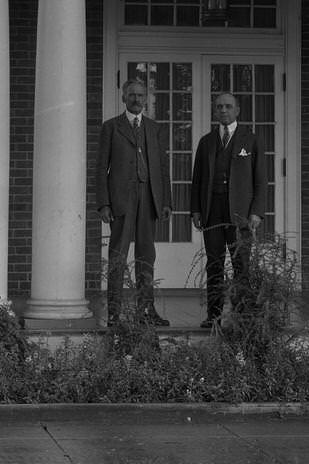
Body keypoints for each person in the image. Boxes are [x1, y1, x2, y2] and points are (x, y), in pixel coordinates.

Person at [95, 77, 173, 327]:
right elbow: (100, 168)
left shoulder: (154, 128)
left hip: (149, 198)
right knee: (118, 256)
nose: (137, 99)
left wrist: (165, 201)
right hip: (121, 199)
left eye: (141, 95)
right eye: (132, 95)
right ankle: (115, 314)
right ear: (123, 98)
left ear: (146, 98)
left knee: (146, 255)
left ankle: (146, 311)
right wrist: (103, 203)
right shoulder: (111, 127)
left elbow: (162, 167)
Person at [190, 91, 266, 328]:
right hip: (212, 209)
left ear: (237, 110)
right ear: (215, 110)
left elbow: (261, 180)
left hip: (240, 212)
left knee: (241, 263)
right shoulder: (206, 141)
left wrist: (256, 212)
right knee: (213, 263)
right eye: (219, 106)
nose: (223, 110)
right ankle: (213, 316)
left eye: (228, 106)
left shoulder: (251, 140)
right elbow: (197, 179)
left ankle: (241, 314)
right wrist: (196, 210)